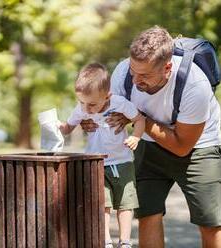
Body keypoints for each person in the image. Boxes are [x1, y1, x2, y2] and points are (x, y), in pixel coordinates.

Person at [81, 26, 221, 247]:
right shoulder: (123, 73)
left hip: (199, 147)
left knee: (209, 221)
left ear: (167, 68)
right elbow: (111, 115)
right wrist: (89, 121)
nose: (136, 81)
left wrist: (139, 119)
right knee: (147, 212)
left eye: (145, 75)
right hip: (148, 145)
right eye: (133, 71)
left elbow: (181, 146)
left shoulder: (195, 86)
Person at [59, 62, 145, 248]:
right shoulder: (82, 109)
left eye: (91, 104)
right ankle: (105, 240)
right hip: (96, 163)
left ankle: (125, 242)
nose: (86, 109)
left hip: (123, 161)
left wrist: (136, 137)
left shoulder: (119, 103)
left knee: (125, 203)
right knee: (102, 203)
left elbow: (139, 119)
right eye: (82, 102)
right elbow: (67, 127)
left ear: (107, 96)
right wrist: (57, 126)